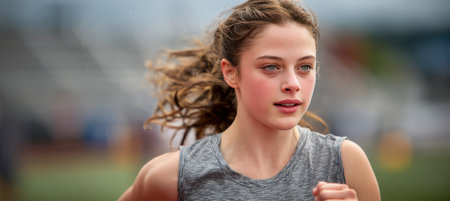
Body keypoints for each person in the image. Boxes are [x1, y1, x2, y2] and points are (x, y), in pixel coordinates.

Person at [118, 0, 380, 200]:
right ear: (230, 72)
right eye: (270, 67)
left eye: (304, 67)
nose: (293, 84)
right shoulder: (171, 178)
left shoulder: (346, 163)